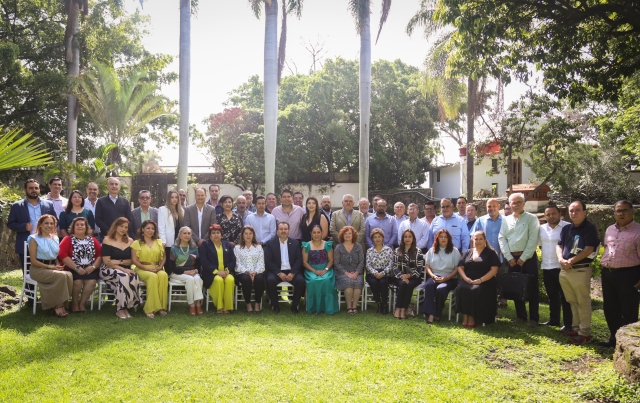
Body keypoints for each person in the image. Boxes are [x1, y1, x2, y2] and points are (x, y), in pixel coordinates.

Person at [557, 201, 600, 344]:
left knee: (582, 302)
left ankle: (585, 332)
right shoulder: (566, 228)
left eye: (577, 210)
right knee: (572, 301)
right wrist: (561, 259)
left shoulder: (589, 228)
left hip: (580, 269)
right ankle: (576, 329)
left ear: (584, 212)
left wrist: (571, 261)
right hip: (565, 270)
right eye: (571, 211)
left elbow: (589, 249)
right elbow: (559, 245)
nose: (573, 213)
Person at [598, 200, 640, 347]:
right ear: (614, 213)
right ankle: (614, 339)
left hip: (628, 275)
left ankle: (628, 343)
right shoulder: (610, 229)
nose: (621, 213)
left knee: (628, 309)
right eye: (618, 211)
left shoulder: (638, 231)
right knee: (610, 308)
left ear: (632, 212)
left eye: (624, 210)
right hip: (608, 274)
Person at [498, 192, 540, 326]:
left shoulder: (531, 219)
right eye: (512, 203)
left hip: (528, 258)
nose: (515, 205)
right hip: (512, 259)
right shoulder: (506, 220)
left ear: (524, 204)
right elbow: (502, 238)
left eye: (518, 202)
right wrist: (509, 257)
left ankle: (534, 318)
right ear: (509, 204)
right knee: (516, 286)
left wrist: (523, 257)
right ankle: (521, 316)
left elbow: (533, 240)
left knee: (532, 288)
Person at [27, 214, 72, 317]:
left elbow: (55, 256)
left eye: (52, 223)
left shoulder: (55, 238)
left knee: (68, 274)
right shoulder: (33, 238)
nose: (49, 225)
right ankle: (57, 306)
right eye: (46, 223)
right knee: (60, 276)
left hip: (52, 267)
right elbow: (33, 260)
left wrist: (57, 265)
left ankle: (60, 303)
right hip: (38, 269)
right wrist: (50, 267)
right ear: (40, 225)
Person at [456, 231, 500, 327]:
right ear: (472, 240)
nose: (478, 241)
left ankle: (472, 317)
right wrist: (465, 278)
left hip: (485, 282)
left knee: (475, 290)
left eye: (481, 239)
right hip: (468, 280)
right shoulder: (468, 252)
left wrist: (480, 280)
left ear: (485, 240)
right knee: (461, 288)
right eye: (476, 239)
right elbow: (460, 267)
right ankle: (465, 316)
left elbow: (494, 270)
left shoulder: (491, 253)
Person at [100, 217, 141, 319]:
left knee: (134, 276)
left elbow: (133, 260)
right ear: (116, 226)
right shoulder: (107, 239)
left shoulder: (130, 241)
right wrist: (123, 269)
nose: (123, 229)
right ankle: (120, 309)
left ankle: (127, 306)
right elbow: (107, 262)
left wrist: (120, 262)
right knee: (124, 276)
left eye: (126, 227)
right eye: (121, 226)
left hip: (124, 268)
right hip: (108, 269)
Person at [538, 205, 571, 330]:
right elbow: (541, 246)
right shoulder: (541, 229)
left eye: (553, 213)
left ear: (559, 214)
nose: (551, 216)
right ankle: (554, 320)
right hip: (547, 266)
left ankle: (568, 323)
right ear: (545, 216)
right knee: (552, 296)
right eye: (548, 214)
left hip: (563, 267)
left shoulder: (567, 227)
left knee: (565, 297)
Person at [59, 217, 102, 313]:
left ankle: (82, 303)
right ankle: (74, 304)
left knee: (91, 282)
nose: (80, 226)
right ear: (73, 227)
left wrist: (93, 267)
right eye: (77, 225)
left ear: (86, 227)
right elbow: (62, 254)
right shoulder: (67, 239)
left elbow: (100, 255)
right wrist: (76, 268)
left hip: (90, 269)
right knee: (77, 282)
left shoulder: (93, 239)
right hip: (72, 268)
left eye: (82, 225)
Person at [8, 179, 55, 265]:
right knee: (28, 274)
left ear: (39, 190)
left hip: (46, 244)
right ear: (25, 190)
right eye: (31, 188)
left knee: (47, 274)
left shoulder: (48, 204)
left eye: (36, 188)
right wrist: (24, 226)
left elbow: (55, 221)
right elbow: (10, 224)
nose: (34, 190)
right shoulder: (17, 206)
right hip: (26, 244)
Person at [264, 222, 305, 314]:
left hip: (291, 270)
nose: (283, 231)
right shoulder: (270, 243)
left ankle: (294, 306)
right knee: (270, 280)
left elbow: (299, 260)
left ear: (289, 231)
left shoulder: (295, 243)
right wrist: (279, 273)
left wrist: (293, 273)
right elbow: (268, 261)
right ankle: (275, 305)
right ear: (277, 231)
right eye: (281, 229)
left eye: (285, 229)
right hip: (276, 271)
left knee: (300, 281)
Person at [131, 220, 168, 318]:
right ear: (143, 229)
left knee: (163, 275)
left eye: (152, 229)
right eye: (148, 228)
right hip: (141, 268)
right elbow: (134, 260)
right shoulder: (136, 243)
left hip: (157, 267)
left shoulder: (159, 242)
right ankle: (150, 308)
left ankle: (161, 307)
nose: (150, 230)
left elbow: (164, 257)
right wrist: (146, 269)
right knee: (152, 277)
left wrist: (160, 267)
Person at [474, 198, 507, 307]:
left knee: (501, 280)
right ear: (486, 207)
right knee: (488, 281)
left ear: (498, 206)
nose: (491, 208)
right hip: (486, 258)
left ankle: (502, 301)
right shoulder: (480, 220)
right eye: (489, 206)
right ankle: (488, 303)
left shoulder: (506, 221)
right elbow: (473, 238)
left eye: (494, 206)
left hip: (502, 257)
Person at [423, 229, 460, 324]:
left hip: (449, 278)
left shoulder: (454, 251)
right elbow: (427, 266)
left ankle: (438, 313)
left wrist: (446, 278)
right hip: (434, 276)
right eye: (441, 237)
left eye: (445, 237)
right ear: (437, 239)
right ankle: (431, 314)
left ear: (449, 239)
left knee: (441, 289)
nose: (443, 239)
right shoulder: (432, 250)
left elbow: (457, 269)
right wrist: (433, 276)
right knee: (428, 285)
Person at [200, 224, 236, 314]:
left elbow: (233, 259)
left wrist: (227, 271)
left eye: (218, 233)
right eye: (213, 233)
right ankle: (219, 307)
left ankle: (227, 307)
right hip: (211, 273)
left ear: (221, 234)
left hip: (226, 272)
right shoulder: (205, 245)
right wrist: (217, 272)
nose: (216, 235)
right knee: (219, 280)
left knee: (230, 280)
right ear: (210, 235)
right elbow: (204, 261)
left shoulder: (227, 245)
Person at [302, 225, 339, 314]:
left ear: (322, 233)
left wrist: (325, 270)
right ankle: (314, 307)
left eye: (318, 232)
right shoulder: (306, 245)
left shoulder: (327, 244)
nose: (316, 234)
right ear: (311, 233)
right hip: (311, 270)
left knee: (326, 280)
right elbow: (305, 262)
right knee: (313, 280)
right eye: (314, 232)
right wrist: (314, 271)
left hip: (326, 269)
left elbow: (331, 260)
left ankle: (327, 307)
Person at [169, 226, 204, 315]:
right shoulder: (174, 248)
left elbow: (198, 262)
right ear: (179, 235)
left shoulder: (194, 248)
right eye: (184, 233)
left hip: (192, 271)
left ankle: (198, 303)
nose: (187, 235)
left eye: (189, 233)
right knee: (190, 279)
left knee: (198, 279)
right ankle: (192, 305)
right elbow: (171, 267)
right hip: (177, 273)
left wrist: (195, 271)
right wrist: (185, 272)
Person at [393, 229, 425, 319]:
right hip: (399, 277)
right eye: (405, 237)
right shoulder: (397, 250)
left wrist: (409, 275)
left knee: (409, 285)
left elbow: (419, 268)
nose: (407, 239)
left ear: (413, 238)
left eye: (409, 236)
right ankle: (397, 309)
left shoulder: (418, 252)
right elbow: (394, 266)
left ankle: (403, 309)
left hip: (414, 277)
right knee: (403, 284)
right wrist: (402, 276)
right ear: (402, 239)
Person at [234, 226, 266, 312]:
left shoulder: (258, 247)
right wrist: (247, 271)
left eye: (250, 233)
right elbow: (237, 263)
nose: (248, 235)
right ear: (242, 235)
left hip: (257, 271)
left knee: (259, 279)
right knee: (246, 279)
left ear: (253, 235)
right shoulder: (237, 248)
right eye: (246, 234)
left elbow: (261, 262)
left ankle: (257, 303)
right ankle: (248, 304)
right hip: (242, 272)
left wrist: (255, 272)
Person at [334, 226, 364, 314]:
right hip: (342, 273)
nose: (347, 235)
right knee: (348, 282)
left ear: (353, 235)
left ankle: (354, 307)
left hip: (356, 272)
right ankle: (348, 307)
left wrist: (356, 272)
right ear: (342, 236)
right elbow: (337, 263)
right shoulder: (338, 247)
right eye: (345, 234)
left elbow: (362, 261)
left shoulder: (358, 246)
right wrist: (347, 273)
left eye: (349, 233)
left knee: (358, 282)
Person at [366, 228, 394, 314]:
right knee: (374, 282)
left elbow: (391, 264)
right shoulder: (369, 251)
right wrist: (375, 273)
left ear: (383, 238)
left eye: (379, 237)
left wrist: (382, 273)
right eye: (375, 237)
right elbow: (367, 265)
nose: (377, 239)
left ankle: (384, 305)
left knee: (382, 283)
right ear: (372, 239)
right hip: (372, 274)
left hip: (385, 274)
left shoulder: (388, 250)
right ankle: (378, 304)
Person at [158, 189, 184, 276]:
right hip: (168, 243)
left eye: (176, 197)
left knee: (178, 265)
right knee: (169, 265)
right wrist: (163, 241)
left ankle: (177, 286)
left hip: (179, 243)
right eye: (172, 197)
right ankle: (168, 285)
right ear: (169, 199)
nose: (174, 199)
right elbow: (161, 227)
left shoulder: (181, 211)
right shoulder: (163, 209)